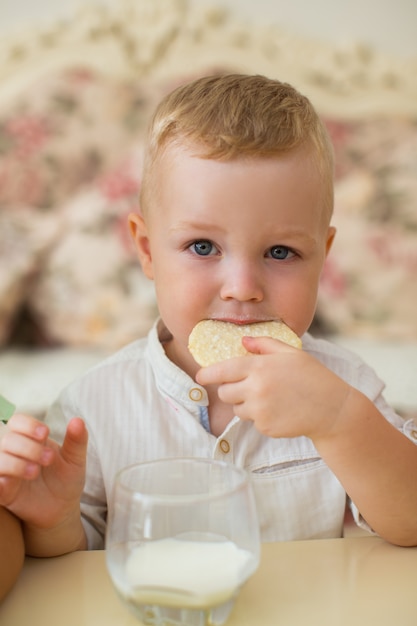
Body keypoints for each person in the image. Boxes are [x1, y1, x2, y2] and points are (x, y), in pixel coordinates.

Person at [0, 74, 416, 557]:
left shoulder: (346, 389)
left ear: (322, 257)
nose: (242, 287)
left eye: (280, 252)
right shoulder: (91, 409)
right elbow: (77, 563)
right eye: (203, 247)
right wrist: (53, 522)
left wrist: (339, 420)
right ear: (147, 250)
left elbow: (409, 524)